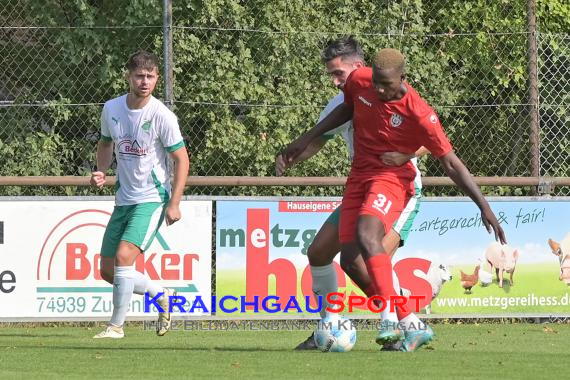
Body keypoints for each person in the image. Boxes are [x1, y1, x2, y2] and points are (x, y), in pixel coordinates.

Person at [283, 47, 506, 351]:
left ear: (402, 77)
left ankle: (394, 319)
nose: (377, 89)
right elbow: (346, 108)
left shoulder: (419, 111)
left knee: (363, 250)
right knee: (328, 254)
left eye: (385, 84)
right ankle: (386, 324)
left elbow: (447, 157)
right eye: (374, 82)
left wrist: (484, 206)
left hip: (397, 180)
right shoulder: (361, 82)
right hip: (360, 178)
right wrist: (303, 139)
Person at [276, 37, 428, 351]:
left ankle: (407, 324)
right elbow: (319, 139)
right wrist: (294, 156)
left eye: (338, 74)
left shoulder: (391, 92)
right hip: (364, 188)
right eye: (330, 74)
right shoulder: (339, 102)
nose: (334, 81)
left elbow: (430, 139)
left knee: (364, 260)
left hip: (399, 187)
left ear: (359, 67)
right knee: (318, 252)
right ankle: (330, 326)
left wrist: (402, 155)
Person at [90, 50, 190, 339]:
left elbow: (181, 159)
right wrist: (101, 170)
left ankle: (116, 327)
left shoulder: (162, 115)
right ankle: (162, 294)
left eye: (150, 76)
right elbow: (106, 143)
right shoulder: (111, 109)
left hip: (152, 200)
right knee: (108, 271)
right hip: (124, 199)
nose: (145, 81)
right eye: (139, 76)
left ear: (157, 78)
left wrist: (174, 202)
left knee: (124, 257)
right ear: (128, 76)